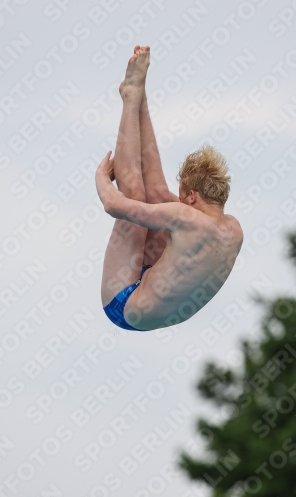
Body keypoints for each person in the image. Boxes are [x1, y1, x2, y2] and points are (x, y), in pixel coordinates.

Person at [95, 45, 243, 331]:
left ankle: (131, 98)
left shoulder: (185, 217)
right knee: (159, 199)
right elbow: (168, 204)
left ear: (191, 195)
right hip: (155, 297)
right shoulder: (234, 230)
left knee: (135, 197)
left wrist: (102, 176)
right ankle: (139, 95)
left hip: (123, 304)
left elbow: (113, 205)